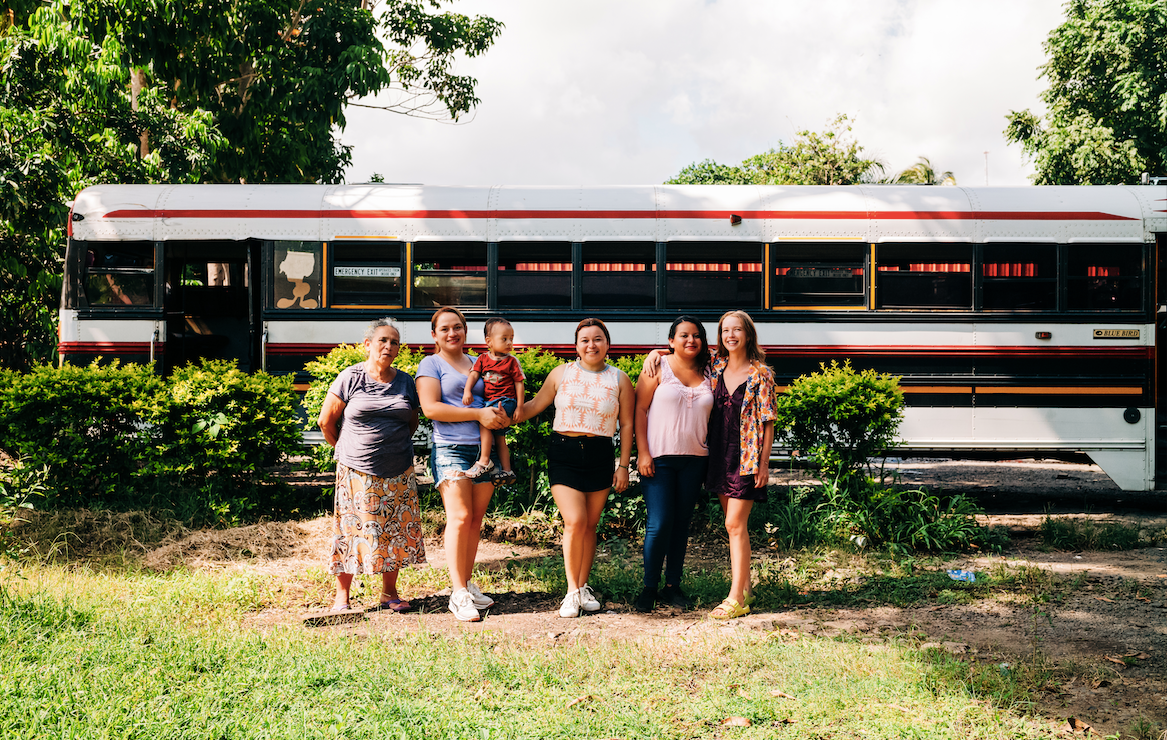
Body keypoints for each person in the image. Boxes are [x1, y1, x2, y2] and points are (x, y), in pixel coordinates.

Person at [516, 318, 635, 618]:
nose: (591, 345)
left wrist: (623, 465)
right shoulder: (561, 373)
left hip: (600, 453)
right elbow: (534, 405)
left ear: (608, 344)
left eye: (597, 339)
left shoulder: (620, 379)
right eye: (585, 340)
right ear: (576, 345)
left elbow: (628, 424)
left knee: (590, 525)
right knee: (576, 520)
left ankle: (583, 586)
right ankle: (571, 592)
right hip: (564, 452)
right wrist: (505, 416)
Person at [318, 318, 424, 613]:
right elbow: (326, 421)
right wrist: (346, 448)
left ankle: (389, 593)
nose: (388, 346)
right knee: (350, 531)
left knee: (395, 530)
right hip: (356, 470)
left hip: (399, 469)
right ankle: (342, 597)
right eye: (382, 340)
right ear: (367, 345)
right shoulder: (349, 377)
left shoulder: (405, 381)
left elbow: (411, 421)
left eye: (394, 342)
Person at [416, 307, 512, 622]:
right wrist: (478, 414)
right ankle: (457, 593)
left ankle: (467, 584)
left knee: (474, 521)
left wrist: (502, 413)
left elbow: (496, 394)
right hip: (450, 448)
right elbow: (431, 408)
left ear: (466, 331)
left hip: (483, 450)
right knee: (460, 517)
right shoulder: (430, 364)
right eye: (444, 329)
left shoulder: (478, 362)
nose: (452, 333)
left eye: (457, 327)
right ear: (434, 335)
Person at [633, 316, 714, 612]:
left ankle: (673, 586)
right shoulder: (657, 367)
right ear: (671, 341)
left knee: (681, 524)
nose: (690, 340)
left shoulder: (710, 370)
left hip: (696, 460)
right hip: (659, 460)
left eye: (696, 336)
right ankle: (649, 587)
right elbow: (639, 410)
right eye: (683, 335)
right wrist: (642, 453)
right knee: (659, 523)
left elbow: (737, 351)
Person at [704, 310, 777, 620]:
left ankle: (736, 599)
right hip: (717, 454)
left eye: (736, 330)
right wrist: (655, 353)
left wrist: (763, 465)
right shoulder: (715, 367)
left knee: (734, 525)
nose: (730, 335)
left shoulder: (761, 374)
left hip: (745, 456)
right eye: (725, 331)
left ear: (748, 334)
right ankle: (745, 589)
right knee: (733, 525)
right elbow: (681, 349)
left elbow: (768, 422)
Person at [461, 317, 524, 483]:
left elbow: (519, 384)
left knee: (485, 424)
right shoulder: (482, 359)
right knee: (500, 437)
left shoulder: (512, 361)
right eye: (504, 339)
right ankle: (507, 470)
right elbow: (473, 375)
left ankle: (484, 461)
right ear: (489, 341)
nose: (510, 342)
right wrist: (467, 390)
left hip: (505, 400)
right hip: (492, 402)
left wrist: (519, 407)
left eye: (511, 338)